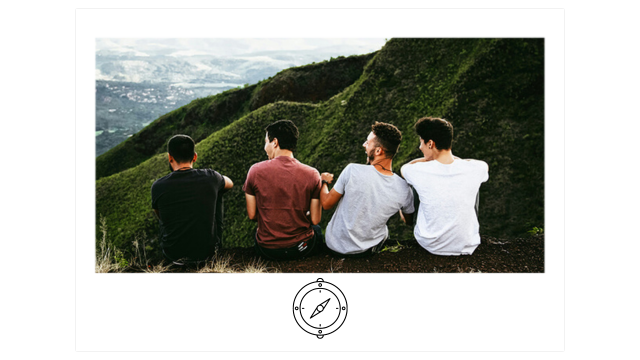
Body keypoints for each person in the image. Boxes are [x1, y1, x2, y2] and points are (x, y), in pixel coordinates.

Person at [320, 121, 415, 257]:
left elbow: (326, 204)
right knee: (384, 230)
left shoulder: (352, 170)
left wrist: (324, 182)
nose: (364, 145)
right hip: (366, 251)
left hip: (334, 246)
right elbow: (408, 221)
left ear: (378, 151)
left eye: (367, 142)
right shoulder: (404, 188)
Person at [400, 116, 489, 256]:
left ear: (430, 144)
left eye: (421, 143)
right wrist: (454, 160)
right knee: (473, 185)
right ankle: (462, 232)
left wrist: (428, 159)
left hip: (430, 244)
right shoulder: (476, 168)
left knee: (414, 184)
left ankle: (410, 221)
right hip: (467, 245)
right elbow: (480, 164)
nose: (419, 147)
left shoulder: (416, 170)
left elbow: (404, 168)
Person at [243, 120, 323, 261]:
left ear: (275, 142)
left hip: (267, 250)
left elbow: (252, 215)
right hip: (301, 248)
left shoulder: (255, 171)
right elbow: (315, 219)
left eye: (266, 142)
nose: (264, 147)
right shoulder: (313, 174)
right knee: (317, 230)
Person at [151, 134, 234, 265]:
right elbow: (230, 183)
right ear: (194, 156)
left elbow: (161, 217)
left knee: (166, 214)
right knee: (219, 191)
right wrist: (214, 181)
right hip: (206, 254)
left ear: (170, 157)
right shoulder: (211, 177)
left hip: (173, 255)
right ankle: (216, 248)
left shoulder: (158, 186)